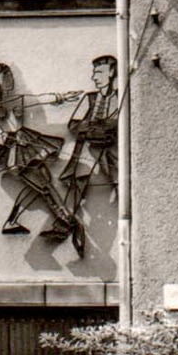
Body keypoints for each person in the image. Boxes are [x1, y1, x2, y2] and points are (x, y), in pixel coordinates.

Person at [0, 38, 76, 241]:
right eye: (4, 77)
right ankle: (63, 217)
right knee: (43, 184)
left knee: (42, 183)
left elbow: (42, 98)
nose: (9, 81)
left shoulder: (18, 99)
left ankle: (21, 221)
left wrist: (62, 97)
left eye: (9, 77)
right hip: (15, 148)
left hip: (27, 143)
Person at [61, 55, 119, 242]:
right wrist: (94, 126)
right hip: (88, 150)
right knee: (79, 181)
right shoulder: (90, 98)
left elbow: (120, 123)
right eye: (94, 73)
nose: (94, 77)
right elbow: (74, 125)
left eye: (99, 72)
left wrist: (106, 126)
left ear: (111, 73)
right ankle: (68, 221)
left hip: (111, 151)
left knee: (118, 181)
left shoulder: (120, 98)